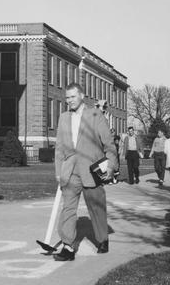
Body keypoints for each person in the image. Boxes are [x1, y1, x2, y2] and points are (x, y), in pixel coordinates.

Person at [53, 83, 118, 261]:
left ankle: (102, 239)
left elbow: (109, 145)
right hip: (70, 170)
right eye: (67, 98)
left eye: (72, 97)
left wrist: (111, 166)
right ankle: (68, 246)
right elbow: (59, 147)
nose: (69, 101)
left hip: (92, 169)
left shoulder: (95, 115)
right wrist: (59, 172)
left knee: (96, 207)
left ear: (81, 95)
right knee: (68, 208)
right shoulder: (63, 117)